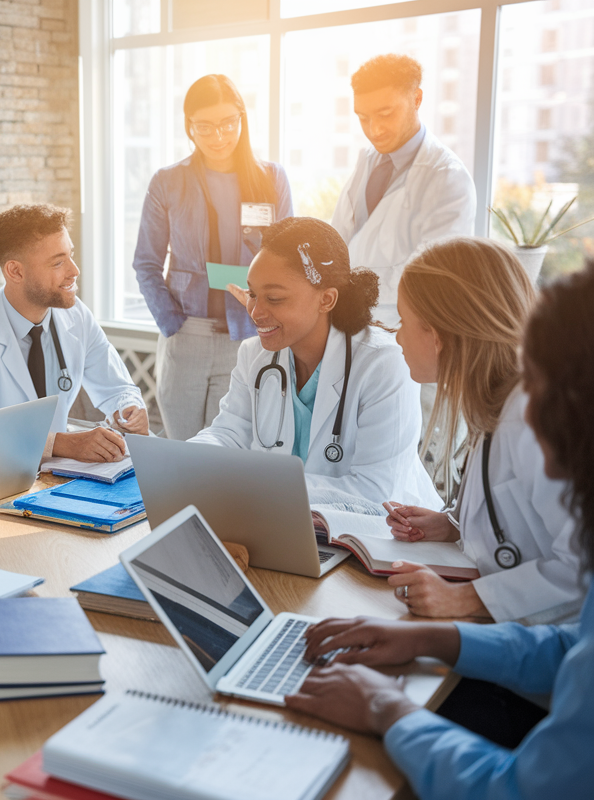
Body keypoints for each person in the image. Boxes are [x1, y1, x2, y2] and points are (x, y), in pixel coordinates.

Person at [287, 262, 594, 799]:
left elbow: (518, 790)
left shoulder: (520, 419)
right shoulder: (505, 414)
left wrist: (387, 707)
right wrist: (434, 637)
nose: (543, 451)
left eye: (541, 401)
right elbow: (572, 650)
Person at [382, 238, 582, 623]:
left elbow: (583, 567)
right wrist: (453, 525)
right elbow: (519, 523)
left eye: (404, 321)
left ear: (438, 334)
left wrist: (468, 599)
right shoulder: (492, 404)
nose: (397, 336)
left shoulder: (531, 417)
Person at [191, 217, 440, 508]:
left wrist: (260, 488)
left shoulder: (383, 363)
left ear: (326, 300)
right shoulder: (253, 355)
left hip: (380, 536)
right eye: (253, 295)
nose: (256, 312)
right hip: (289, 524)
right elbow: (229, 433)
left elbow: (375, 490)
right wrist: (185, 462)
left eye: (274, 298)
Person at [132, 74, 294, 440]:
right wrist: (173, 322)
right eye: (203, 127)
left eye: (226, 124)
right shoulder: (167, 182)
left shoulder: (272, 178)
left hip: (249, 335)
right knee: (183, 451)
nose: (217, 136)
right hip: (187, 334)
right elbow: (146, 262)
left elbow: (289, 261)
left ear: (242, 118)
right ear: (189, 126)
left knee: (231, 453)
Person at [0, 204, 147, 460]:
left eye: (71, 255)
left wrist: (128, 409)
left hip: (55, 475)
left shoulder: (77, 317)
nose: (74, 271)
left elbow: (117, 388)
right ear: (15, 271)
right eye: (58, 262)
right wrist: (62, 444)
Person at [329, 54, 475, 326]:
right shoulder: (368, 161)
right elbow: (338, 241)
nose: (375, 129)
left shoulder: (448, 178)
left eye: (386, 114)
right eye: (363, 118)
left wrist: (345, 288)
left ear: (417, 99)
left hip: (399, 331)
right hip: (345, 323)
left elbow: (432, 275)